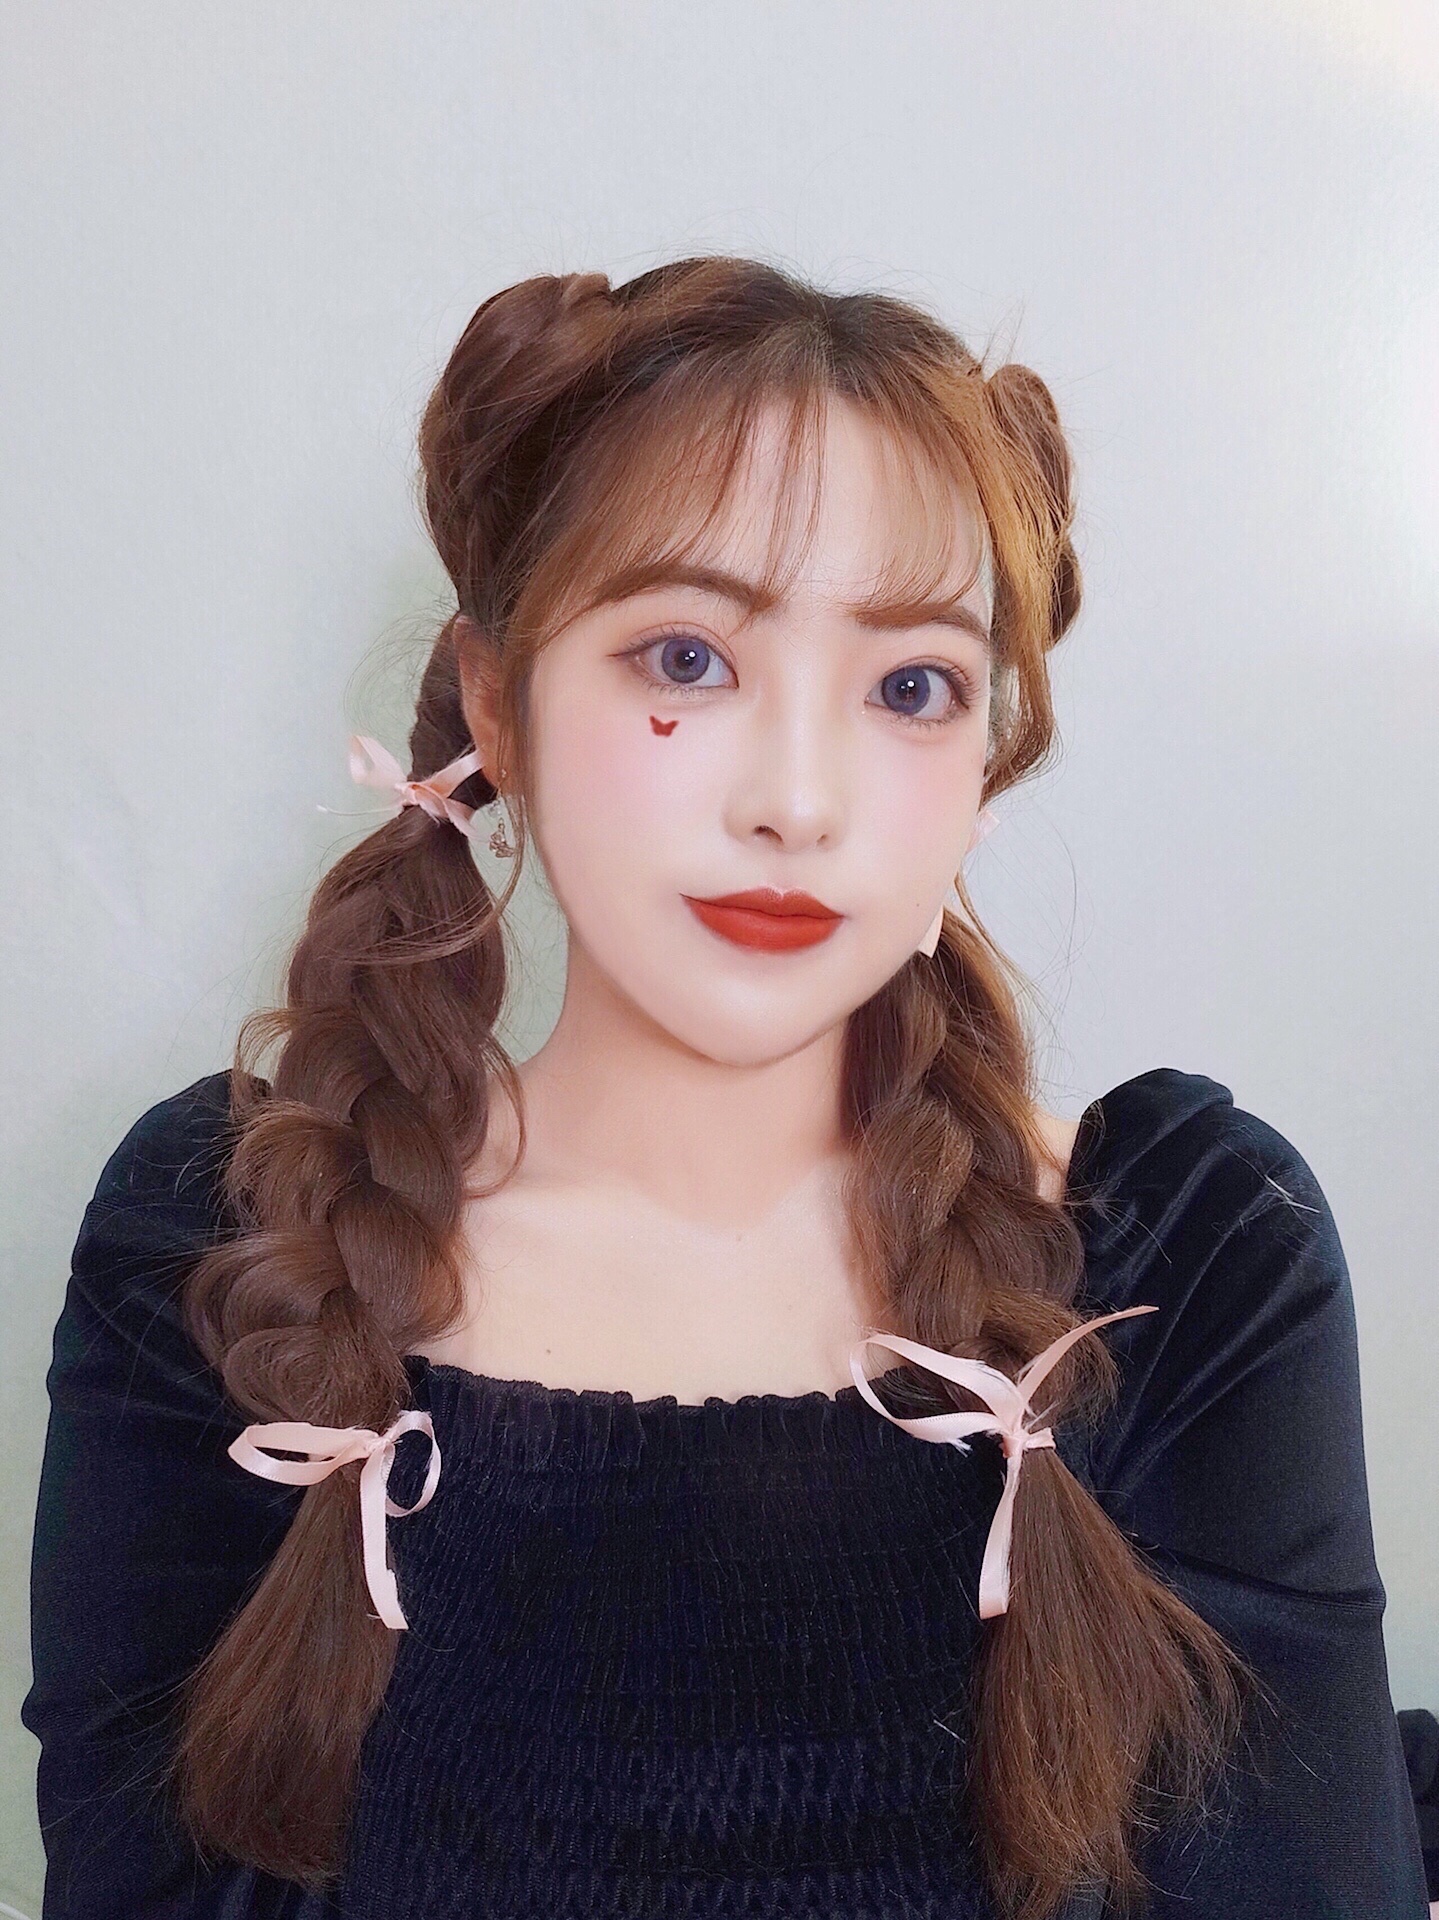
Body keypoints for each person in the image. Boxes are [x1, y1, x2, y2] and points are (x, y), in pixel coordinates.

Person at [24, 256, 1428, 1920]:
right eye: (686, 659)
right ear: (498, 706)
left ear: (981, 774)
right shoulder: (230, 1236)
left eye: (911, 687)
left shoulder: (1182, 1256)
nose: (798, 799)